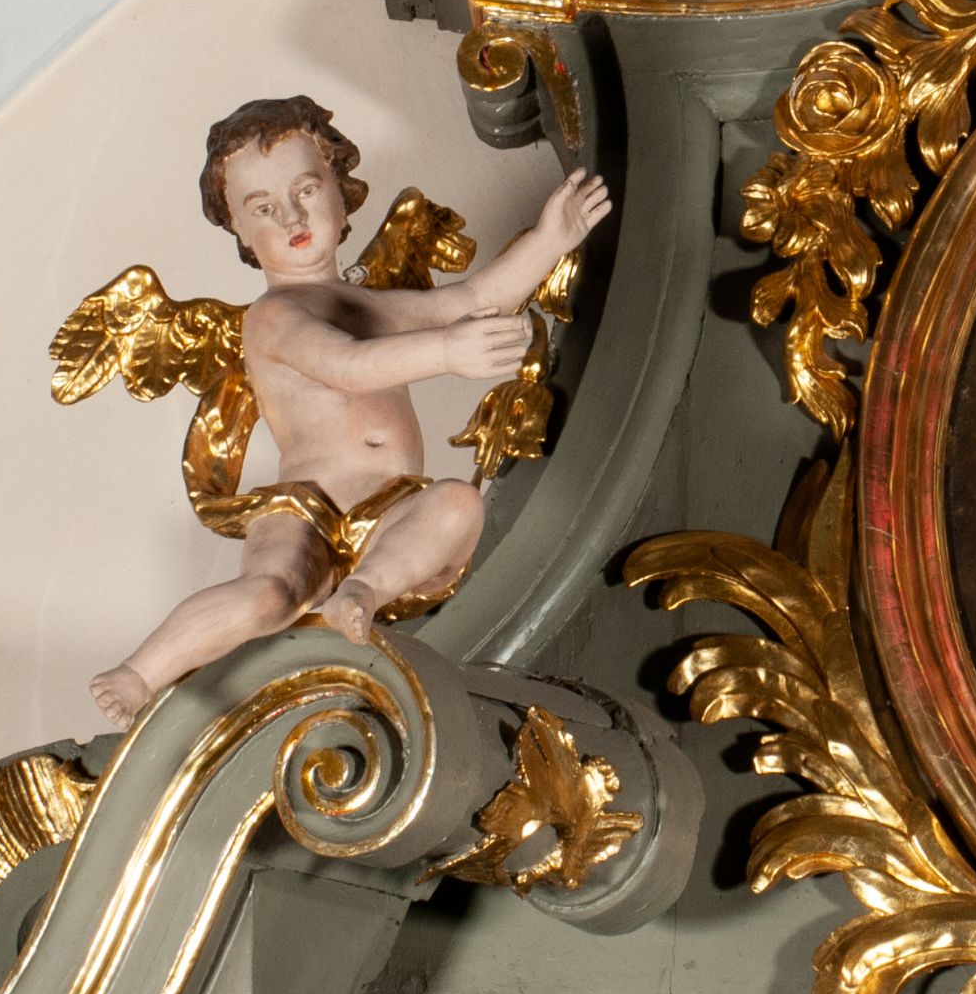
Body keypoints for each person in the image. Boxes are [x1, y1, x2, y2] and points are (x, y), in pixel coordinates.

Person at [82, 98, 607, 726]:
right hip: (304, 507)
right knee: (269, 594)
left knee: (457, 503)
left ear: (340, 191)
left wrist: (553, 237)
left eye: (306, 190)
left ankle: (363, 590)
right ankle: (141, 673)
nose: (292, 216)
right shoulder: (273, 316)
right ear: (238, 229)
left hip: (390, 505)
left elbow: (477, 297)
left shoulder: (375, 304)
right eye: (263, 209)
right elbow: (348, 365)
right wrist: (447, 351)